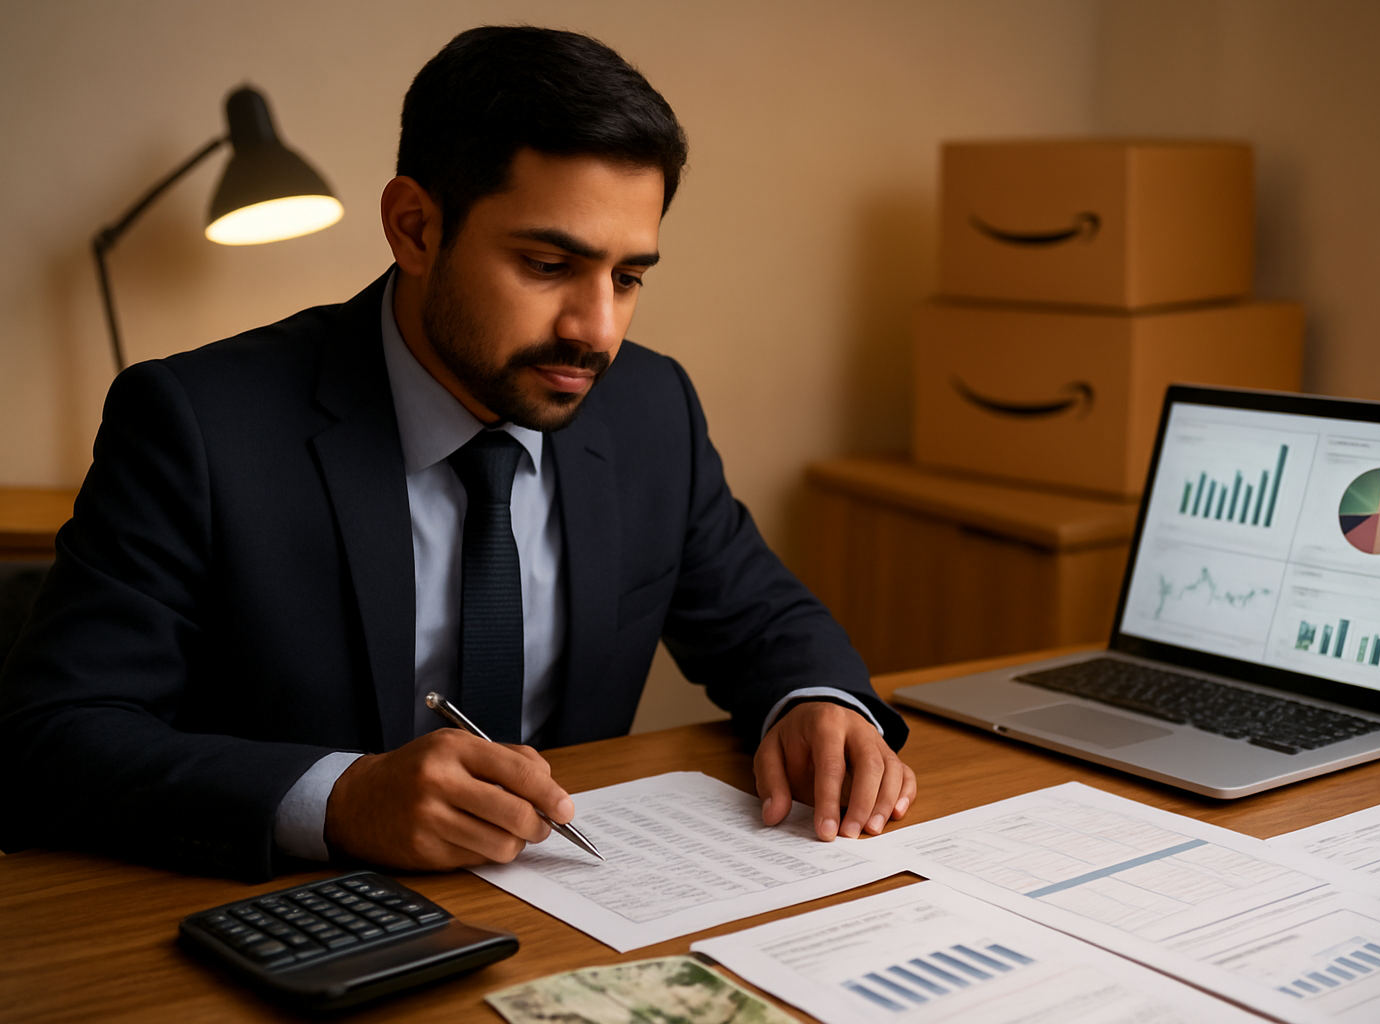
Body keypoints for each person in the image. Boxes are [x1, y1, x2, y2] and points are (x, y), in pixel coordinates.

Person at [0, 26, 915, 881]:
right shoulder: (197, 424)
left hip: (568, 902)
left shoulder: (650, 406)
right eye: (548, 266)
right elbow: (49, 738)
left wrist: (816, 704)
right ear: (415, 229)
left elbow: (762, 620)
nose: (596, 330)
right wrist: (343, 799)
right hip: (287, 921)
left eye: (628, 277)